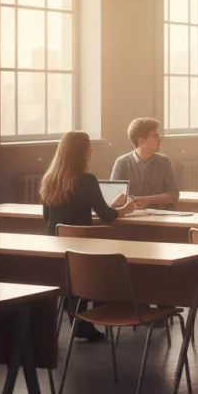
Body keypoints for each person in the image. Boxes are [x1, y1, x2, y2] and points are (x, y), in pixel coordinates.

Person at [40, 130, 135, 342]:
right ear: (81, 152)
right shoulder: (87, 180)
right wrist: (125, 208)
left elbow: (47, 218)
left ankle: (75, 315)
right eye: (89, 146)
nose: (92, 149)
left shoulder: (50, 179)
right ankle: (95, 312)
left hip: (56, 250)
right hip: (84, 252)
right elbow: (107, 216)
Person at [110, 117, 179, 209]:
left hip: (160, 215)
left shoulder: (164, 161)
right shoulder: (122, 163)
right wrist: (133, 201)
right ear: (142, 141)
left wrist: (149, 200)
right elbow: (114, 195)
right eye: (155, 136)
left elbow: (174, 194)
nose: (160, 139)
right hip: (131, 215)